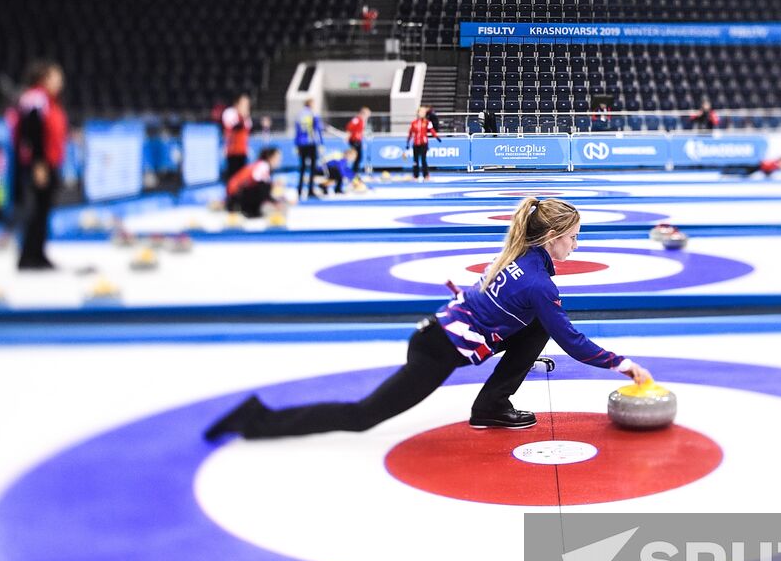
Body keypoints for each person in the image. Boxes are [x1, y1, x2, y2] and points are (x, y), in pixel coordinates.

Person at [203, 197, 654, 441]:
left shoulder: (524, 259)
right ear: (552, 236)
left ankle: (490, 406)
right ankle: (257, 419)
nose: (577, 245)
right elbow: (572, 340)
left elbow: (548, 325)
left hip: (442, 334)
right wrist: (622, 363)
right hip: (435, 349)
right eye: (574, 237)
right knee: (363, 416)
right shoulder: (538, 283)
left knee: (537, 324)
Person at [14, 60, 68, 270]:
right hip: (39, 164)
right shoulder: (36, 98)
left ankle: (38, 253)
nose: (60, 81)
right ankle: (28, 256)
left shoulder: (49, 100)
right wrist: (39, 164)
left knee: (44, 209)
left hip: (49, 162)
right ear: (44, 78)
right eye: (56, 76)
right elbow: (32, 132)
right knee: (35, 209)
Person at [225, 146, 284, 217]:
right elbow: (261, 187)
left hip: (236, 195)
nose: (279, 161)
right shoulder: (263, 165)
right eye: (277, 158)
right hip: (236, 196)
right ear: (270, 157)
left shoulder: (261, 165)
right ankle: (248, 210)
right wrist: (275, 202)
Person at [293, 99, 322, 199]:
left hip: (301, 144)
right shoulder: (313, 114)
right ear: (310, 104)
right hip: (311, 143)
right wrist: (321, 143)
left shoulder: (299, 114)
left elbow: (296, 130)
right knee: (312, 168)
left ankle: (299, 190)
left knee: (302, 167)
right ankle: (310, 190)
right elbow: (317, 129)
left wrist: (296, 145)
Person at [220, 94, 252, 183]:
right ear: (237, 104)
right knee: (233, 177)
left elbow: (248, 129)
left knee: (242, 177)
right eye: (244, 103)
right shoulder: (230, 113)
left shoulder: (246, 117)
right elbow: (234, 127)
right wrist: (242, 116)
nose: (246, 106)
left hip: (243, 151)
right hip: (232, 151)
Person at [407, 106, 441, 181]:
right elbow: (410, 133)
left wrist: (437, 137)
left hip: (424, 144)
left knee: (423, 160)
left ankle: (426, 175)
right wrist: (408, 142)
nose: (422, 113)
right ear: (418, 113)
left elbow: (432, 130)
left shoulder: (427, 122)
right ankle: (415, 176)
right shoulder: (413, 123)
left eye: (423, 112)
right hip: (416, 144)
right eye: (420, 112)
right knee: (415, 161)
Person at [345, 106, 370, 175]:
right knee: (356, 156)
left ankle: (354, 172)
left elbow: (360, 131)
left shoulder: (362, 121)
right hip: (354, 140)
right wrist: (348, 136)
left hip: (358, 140)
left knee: (359, 157)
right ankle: (353, 172)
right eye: (367, 115)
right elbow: (349, 127)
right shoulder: (357, 119)